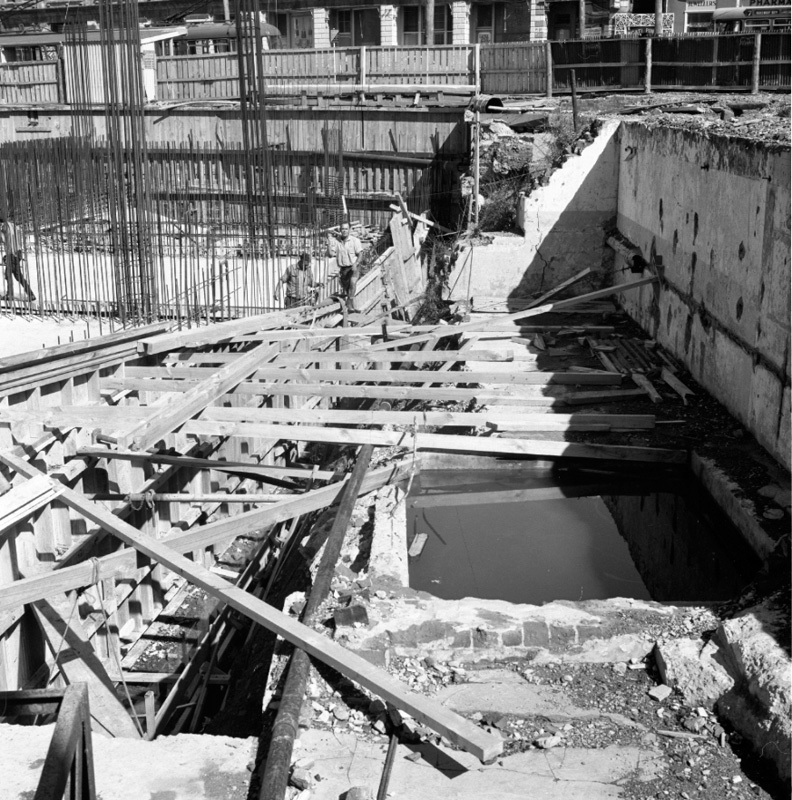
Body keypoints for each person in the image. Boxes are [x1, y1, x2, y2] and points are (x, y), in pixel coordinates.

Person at [326, 220, 363, 312]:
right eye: (342, 229)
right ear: (340, 230)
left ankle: (349, 304)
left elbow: (360, 254)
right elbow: (330, 254)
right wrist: (329, 242)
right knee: (347, 289)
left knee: (353, 283)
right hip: (343, 269)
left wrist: (356, 264)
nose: (344, 231)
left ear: (349, 229)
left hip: (353, 267)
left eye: (346, 229)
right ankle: (352, 307)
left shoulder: (355, 241)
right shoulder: (336, 242)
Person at [0, 216, 35, 302]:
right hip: (17, 252)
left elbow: (3, 239)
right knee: (18, 276)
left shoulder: (4, 228)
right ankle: (31, 294)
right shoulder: (14, 226)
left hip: (12, 254)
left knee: (8, 274)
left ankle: (10, 295)